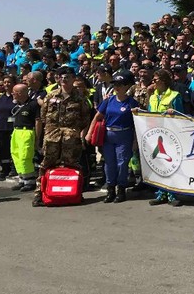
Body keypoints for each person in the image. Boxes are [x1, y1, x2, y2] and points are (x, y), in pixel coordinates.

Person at [34, 66, 92, 207]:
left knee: (72, 165)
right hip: (52, 136)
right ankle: (39, 194)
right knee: (46, 164)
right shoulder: (50, 96)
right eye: (61, 77)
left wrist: (78, 132)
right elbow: (43, 116)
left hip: (71, 138)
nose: (64, 79)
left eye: (68, 77)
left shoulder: (80, 98)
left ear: (73, 79)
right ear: (58, 79)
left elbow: (85, 119)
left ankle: (75, 193)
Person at [87, 74, 139, 203]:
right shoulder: (108, 100)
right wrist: (89, 132)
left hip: (124, 135)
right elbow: (97, 117)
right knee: (109, 163)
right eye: (115, 84)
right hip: (108, 135)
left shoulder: (132, 102)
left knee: (122, 163)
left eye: (120, 85)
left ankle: (121, 188)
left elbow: (137, 123)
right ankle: (110, 189)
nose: (117, 87)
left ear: (126, 86)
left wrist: (135, 141)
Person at [147, 69, 185, 207]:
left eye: (156, 80)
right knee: (158, 165)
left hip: (171, 135)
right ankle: (160, 192)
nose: (153, 82)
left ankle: (172, 193)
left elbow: (181, 116)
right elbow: (148, 114)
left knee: (171, 164)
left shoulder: (175, 96)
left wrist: (174, 113)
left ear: (163, 81)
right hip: (156, 135)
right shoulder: (152, 96)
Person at [9, 83, 42, 192]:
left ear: (20, 93)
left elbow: (38, 121)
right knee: (16, 155)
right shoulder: (17, 105)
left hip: (26, 131)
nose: (12, 94)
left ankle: (30, 181)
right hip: (16, 132)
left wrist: (37, 138)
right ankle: (22, 179)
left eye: (14, 92)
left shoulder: (32, 104)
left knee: (25, 156)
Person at [0, 75, 16, 179]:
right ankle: (4, 169)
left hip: (13, 127)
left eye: (9, 82)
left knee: (13, 149)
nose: (6, 84)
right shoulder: (0, 97)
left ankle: (14, 168)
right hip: (1, 126)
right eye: (5, 82)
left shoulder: (17, 96)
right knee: (3, 149)